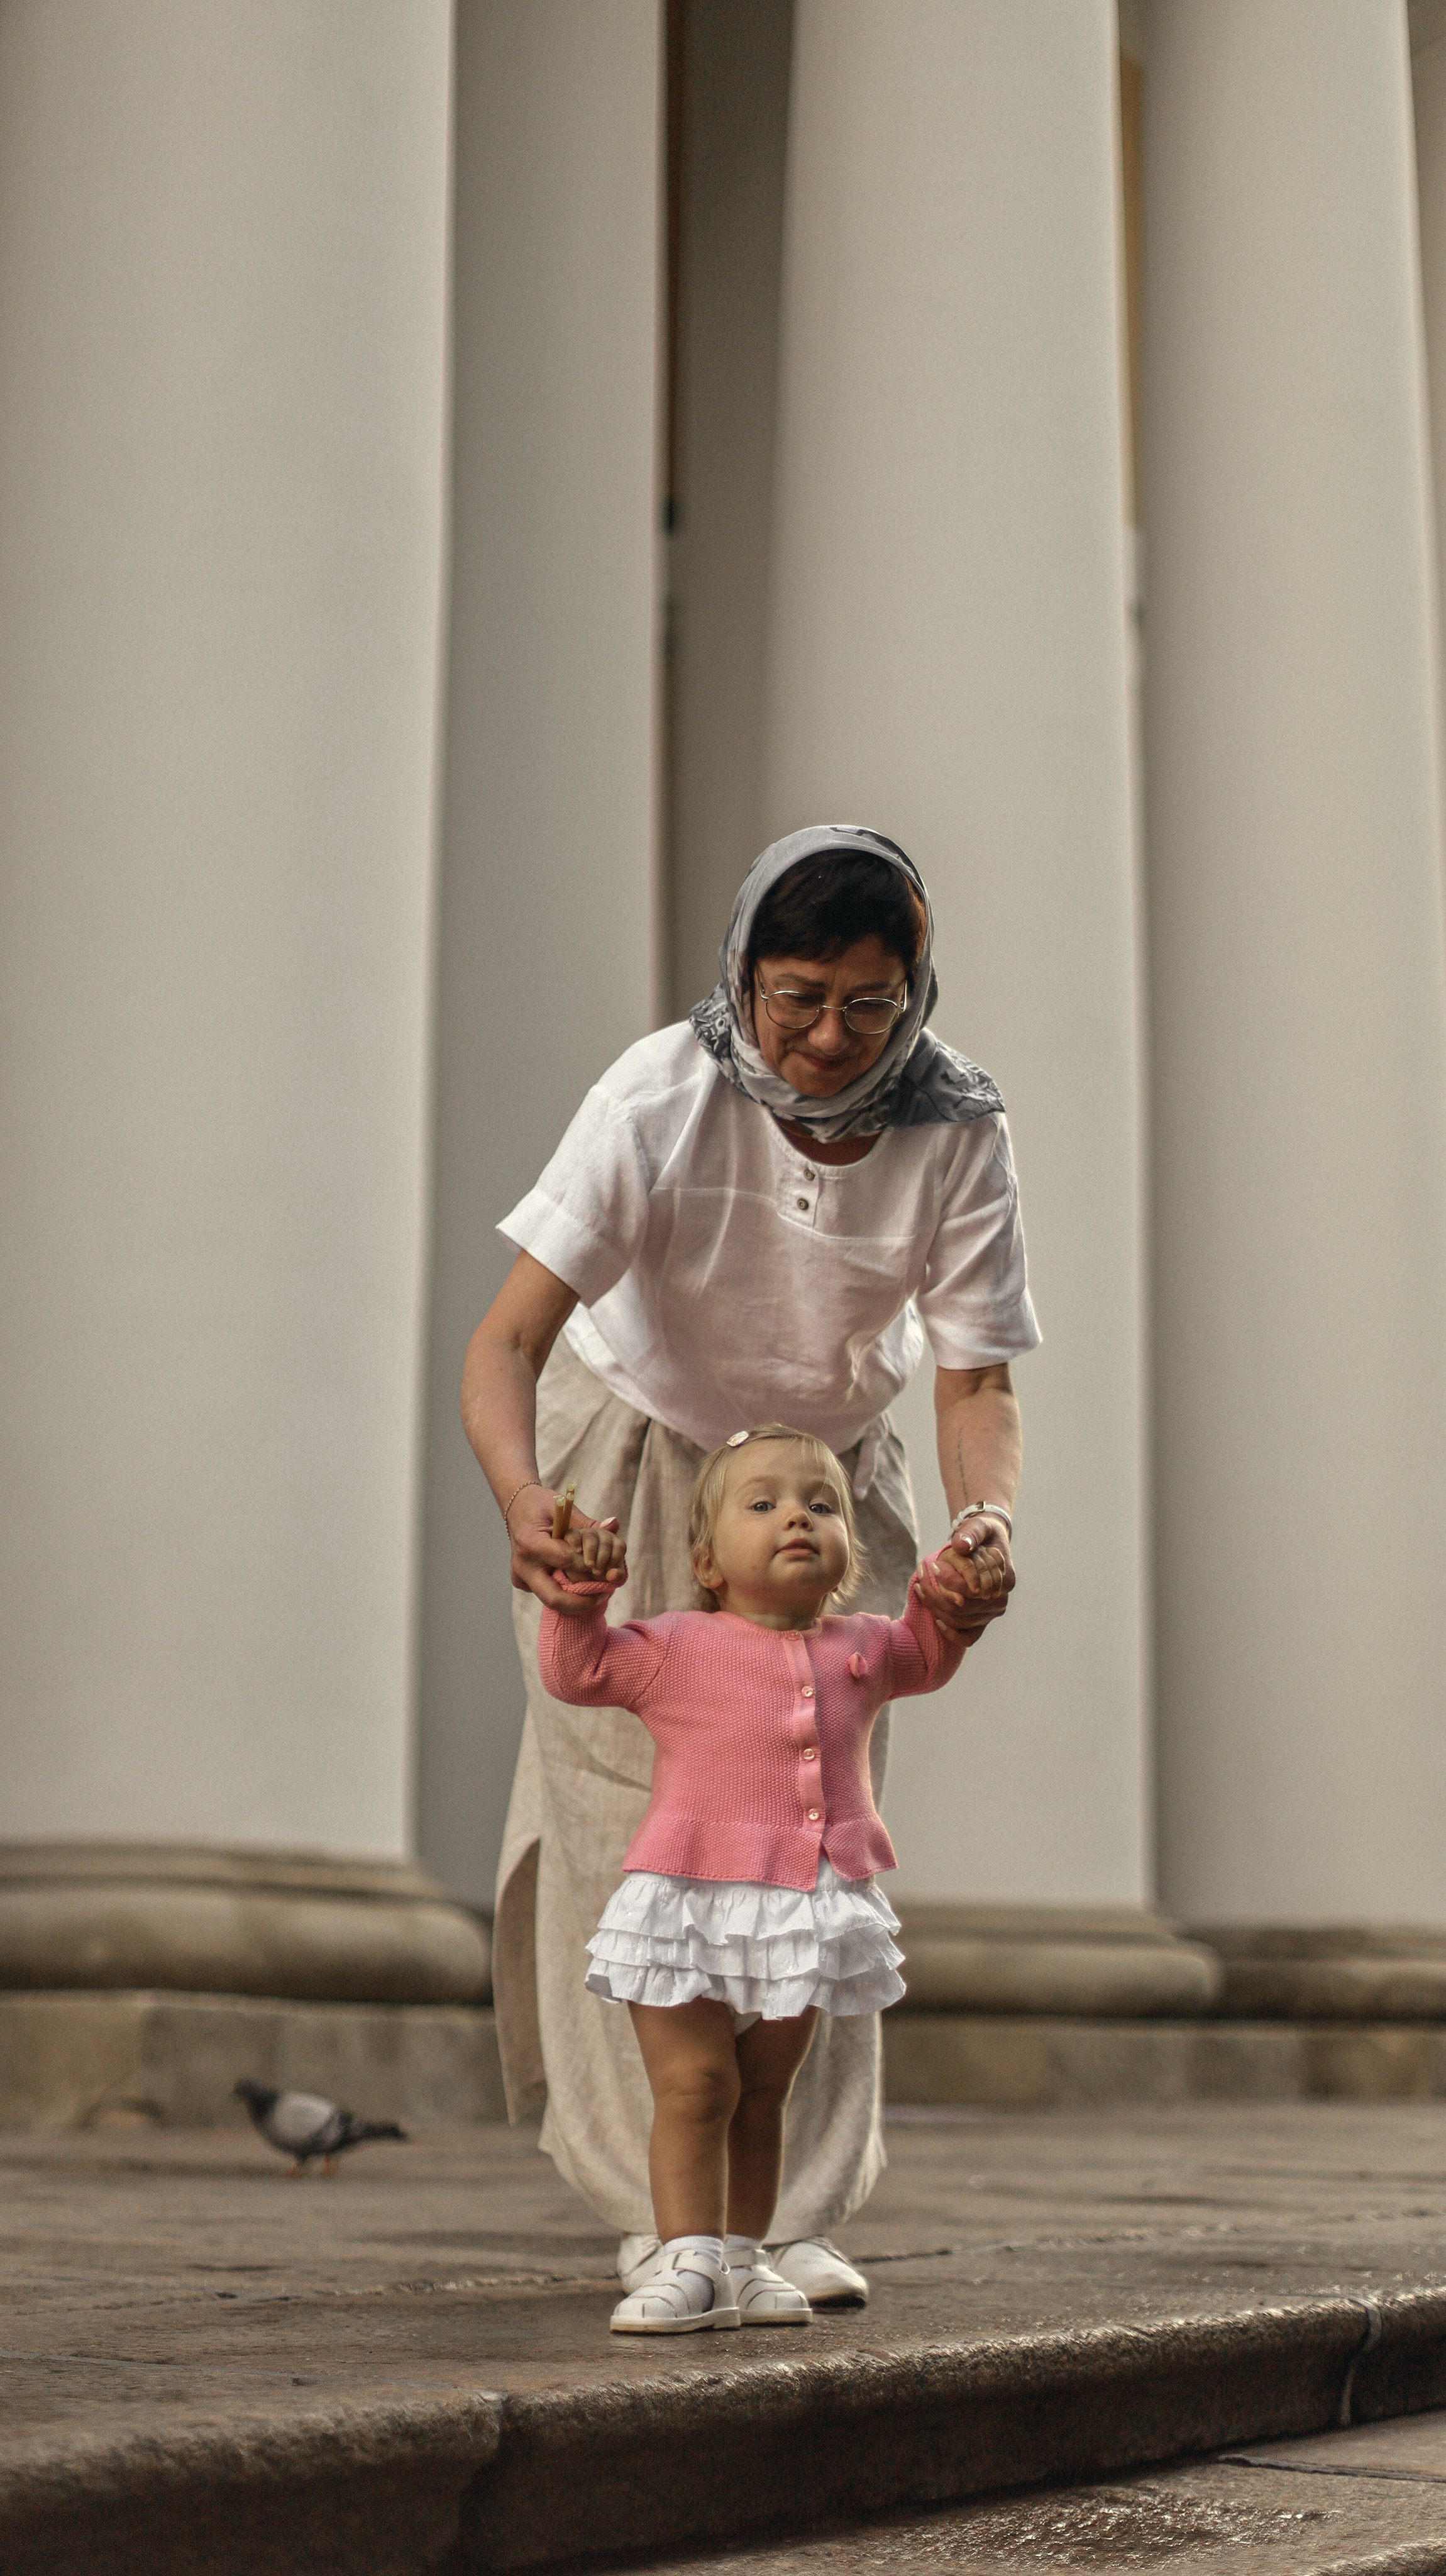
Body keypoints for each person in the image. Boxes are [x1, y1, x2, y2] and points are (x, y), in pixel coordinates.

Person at [461, 823, 1039, 2304]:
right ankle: (658, 2210)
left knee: (815, 1829)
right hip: (639, 1442)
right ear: (743, 974)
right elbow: (508, 1337)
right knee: (624, 1826)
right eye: (796, 996)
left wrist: (984, 1526)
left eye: (867, 1001)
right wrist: (528, 1498)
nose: (830, 1035)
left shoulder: (957, 1125)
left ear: (913, 989)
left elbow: (973, 1378)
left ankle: (790, 2214)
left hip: (823, 1474)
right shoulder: (660, 1092)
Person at [541, 1423, 969, 2333]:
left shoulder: (867, 1647)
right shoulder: (674, 1646)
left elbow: (931, 1655)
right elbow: (576, 1675)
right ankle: (684, 2258)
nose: (798, 1519)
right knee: (696, 2085)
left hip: (807, 1905)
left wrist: (953, 1599)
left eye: (822, 1504)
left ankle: (745, 2253)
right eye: (764, 1503)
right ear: (706, 1555)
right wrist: (579, 1598)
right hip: (686, 1900)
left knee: (763, 2092)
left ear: (851, 1548)